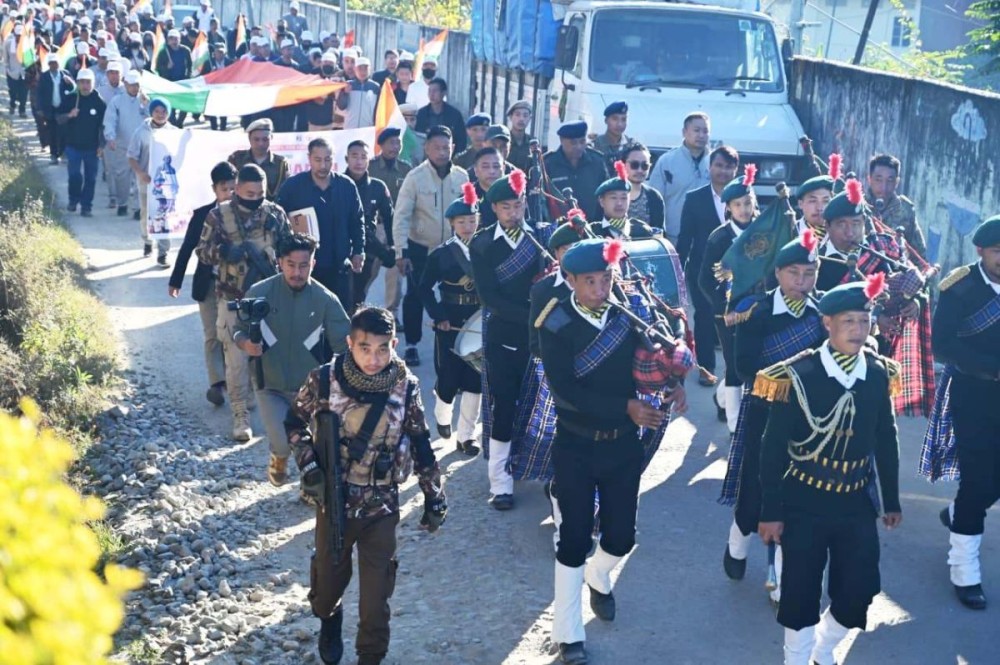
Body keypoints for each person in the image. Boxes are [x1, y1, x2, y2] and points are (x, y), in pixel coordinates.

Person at [538, 238, 687, 665]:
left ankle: (599, 575)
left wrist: (673, 383)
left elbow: (654, 354)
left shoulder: (628, 313)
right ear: (569, 279)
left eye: (607, 279)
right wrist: (626, 406)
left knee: (622, 538)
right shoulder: (556, 324)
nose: (601, 289)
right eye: (591, 281)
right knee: (572, 539)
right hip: (576, 444)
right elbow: (564, 391)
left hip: (623, 444)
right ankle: (568, 635)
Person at [284, 306, 447, 665]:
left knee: (376, 598)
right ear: (349, 344)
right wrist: (310, 467)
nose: (374, 358)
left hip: (382, 505)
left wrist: (434, 498)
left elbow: (420, 443)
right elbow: (293, 422)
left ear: (394, 343)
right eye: (364, 348)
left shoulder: (406, 386)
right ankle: (329, 618)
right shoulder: (324, 380)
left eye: (383, 348)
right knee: (327, 588)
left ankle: (369, 657)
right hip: (335, 502)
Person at [756, 278, 902, 665]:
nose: (858, 330)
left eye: (864, 321)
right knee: (800, 592)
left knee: (861, 587)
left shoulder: (877, 373)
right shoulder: (798, 376)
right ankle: (796, 659)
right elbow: (771, 449)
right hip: (803, 499)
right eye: (848, 322)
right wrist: (770, 510)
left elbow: (886, 439)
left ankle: (822, 649)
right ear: (827, 324)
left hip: (855, 499)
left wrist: (892, 499)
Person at [719, 232, 826, 604]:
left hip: (811, 421)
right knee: (755, 492)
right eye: (793, 273)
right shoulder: (756, 312)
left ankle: (782, 576)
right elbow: (745, 366)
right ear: (777, 273)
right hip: (765, 412)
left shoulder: (825, 314)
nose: (801, 281)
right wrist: (788, 381)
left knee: (796, 498)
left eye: (809, 273)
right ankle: (737, 542)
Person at [921, 216, 1000, 611]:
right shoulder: (961, 287)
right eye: (998, 251)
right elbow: (942, 345)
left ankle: (957, 514)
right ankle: (964, 568)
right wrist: (991, 366)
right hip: (973, 392)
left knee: (993, 482)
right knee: (977, 477)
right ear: (981, 251)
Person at [235, 233, 350, 485]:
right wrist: (246, 344)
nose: (297, 272)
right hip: (270, 385)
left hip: (311, 391)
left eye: (304, 266)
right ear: (280, 263)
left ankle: (311, 489)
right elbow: (237, 329)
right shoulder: (260, 292)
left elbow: (345, 345)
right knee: (283, 441)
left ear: (313, 265)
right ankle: (278, 456)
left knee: (316, 447)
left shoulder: (326, 300)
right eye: (291, 265)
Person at [195, 163, 293, 442]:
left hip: (268, 297)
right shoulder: (218, 215)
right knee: (236, 357)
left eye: (260, 192)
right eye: (249, 192)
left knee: (270, 357)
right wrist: (225, 251)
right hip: (232, 297)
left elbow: (288, 246)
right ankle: (240, 414)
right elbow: (202, 252)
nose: (255, 197)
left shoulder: (274, 213)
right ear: (237, 189)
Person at [470, 171, 541, 511]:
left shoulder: (541, 237)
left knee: (544, 408)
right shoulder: (482, 244)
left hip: (543, 339)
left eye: (518, 205)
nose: (513, 212)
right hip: (505, 337)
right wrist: (533, 316)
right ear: (494, 208)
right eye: (506, 207)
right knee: (504, 408)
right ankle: (500, 482)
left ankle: (541, 469)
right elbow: (490, 298)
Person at [391, 126, 469, 367]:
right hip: (421, 248)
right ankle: (412, 344)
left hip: (453, 248)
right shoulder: (415, 178)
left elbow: (470, 212)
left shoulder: (462, 177)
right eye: (436, 147)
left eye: (446, 147)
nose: (442, 152)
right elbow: (401, 216)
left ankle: (456, 343)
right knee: (415, 295)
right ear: (426, 149)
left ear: (453, 148)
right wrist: (401, 251)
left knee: (456, 294)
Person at [418, 183, 483, 455]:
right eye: (461, 221)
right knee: (448, 379)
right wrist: (438, 316)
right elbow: (423, 288)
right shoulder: (441, 254)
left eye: (472, 220)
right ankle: (443, 417)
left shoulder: (485, 250)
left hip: (478, 322)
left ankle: (466, 436)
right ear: (452, 223)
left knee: (475, 381)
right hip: (450, 322)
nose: (467, 225)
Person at [168, 161, 237, 409]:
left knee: (231, 334)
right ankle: (217, 384)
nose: (228, 193)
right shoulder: (202, 215)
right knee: (211, 334)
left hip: (235, 287)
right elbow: (188, 248)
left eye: (232, 188)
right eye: (223, 189)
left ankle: (236, 383)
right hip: (207, 283)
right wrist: (175, 280)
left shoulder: (247, 216)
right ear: (214, 189)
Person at [698, 167, 759, 434]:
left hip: (758, 308)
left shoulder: (762, 232)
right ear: (729, 208)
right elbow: (704, 280)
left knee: (753, 358)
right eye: (738, 205)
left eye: (748, 203)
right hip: (728, 312)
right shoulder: (719, 238)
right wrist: (725, 309)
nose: (744, 209)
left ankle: (722, 397)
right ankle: (735, 425)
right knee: (734, 364)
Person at [276, 137, 366, 308]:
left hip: (339, 265)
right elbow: (278, 222)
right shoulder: (293, 187)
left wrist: (359, 250)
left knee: (340, 318)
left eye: (328, 159)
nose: (323, 165)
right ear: (309, 158)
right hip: (304, 268)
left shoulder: (346, 186)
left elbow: (357, 221)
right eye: (318, 160)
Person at [677, 144, 739, 386]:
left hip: (735, 272)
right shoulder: (694, 199)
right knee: (703, 317)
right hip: (701, 271)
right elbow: (685, 238)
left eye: (729, 167)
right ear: (710, 167)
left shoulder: (743, 198)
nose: (723, 171)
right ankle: (706, 368)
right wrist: (678, 270)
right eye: (719, 166)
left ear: (736, 169)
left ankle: (734, 370)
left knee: (730, 319)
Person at [343, 140, 396, 311]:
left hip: (369, 250)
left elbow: (389, 218)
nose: (358, 161)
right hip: (341, 249)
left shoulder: (377, 187)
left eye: (363, 157)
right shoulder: (337, 183)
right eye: (354, 156)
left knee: (359, 295)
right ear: (346, 159)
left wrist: (393, 247)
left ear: (369, 159)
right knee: (340, 295)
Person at [369, 127, 413, 328]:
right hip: (375, 226)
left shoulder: (406, 169)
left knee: (396, 271)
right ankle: (354, 307)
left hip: (398, 227)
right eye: (391, 143)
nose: (395, 147)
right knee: (370, 269)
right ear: (381, 145)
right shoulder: (369, 168)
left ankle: (391, 314)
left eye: (398, 142)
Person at [648, 112, 711, 244]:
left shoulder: (715, 162)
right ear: (684, 132)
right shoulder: (667, 161)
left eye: (705, 131)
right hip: (673, 236)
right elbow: (653, 199)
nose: (701, 135)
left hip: (706, 236)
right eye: (696, 130)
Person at [128, 98, 175, 265]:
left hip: (165, 184)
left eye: (164, 112)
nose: (161, 115)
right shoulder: (141, 132)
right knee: (146, 214)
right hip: (146, 182)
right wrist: (140, 173)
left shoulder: (174, 132)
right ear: (151, 112)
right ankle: (147, 240)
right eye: (157, 111)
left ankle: (163, 253)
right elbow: (131, 156)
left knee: (164, 216)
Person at [60, 68, 106, 218]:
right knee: (74, 176)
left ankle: (86, 206)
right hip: (73, 146)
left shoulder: (99, 102)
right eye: (82, 82)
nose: (85, 85)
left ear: (93, 83)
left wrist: (101, 145)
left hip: (92, 148)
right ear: (78, 83)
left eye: (88, 82)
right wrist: (69, 115)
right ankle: (73, 200)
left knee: (91, 178)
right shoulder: (71, 98)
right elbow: (58, 119)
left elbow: (104, 126)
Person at [543, 121, 609, 222]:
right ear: (561, 140)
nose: (578, 147)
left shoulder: (597, 162)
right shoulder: (548, 164)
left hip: (593, 228)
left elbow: (606, 194)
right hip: (558, 229)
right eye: (573, 143)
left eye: (582, 142)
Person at [103, 69, 147, 218]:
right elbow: (110, 120)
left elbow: (155, 118)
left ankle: (137, 208)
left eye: (137, 85)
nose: (134, 88)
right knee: (122, 176)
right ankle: (122, 203)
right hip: (122, 144)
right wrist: (111, 137)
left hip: (142, 147)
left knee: (139, 177)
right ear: (125, 84)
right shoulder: (117, 101)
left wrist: (146, 105)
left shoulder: (146, 100)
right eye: (131, 85)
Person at [866, 153, 927, 257]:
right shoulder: (857, 205)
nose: (883, 187)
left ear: (897, 182)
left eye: (890, 180)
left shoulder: (905, 209)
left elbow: (918, 254)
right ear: (869, 179)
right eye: (878, 179)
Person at [589, 161, 656, 240]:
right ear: (602, 201)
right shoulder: (592, 232)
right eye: (613, 198)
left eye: (624, 198)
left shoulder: (642, 230)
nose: (619, 203)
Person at [228, 118, 289, 201]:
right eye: (256, 139)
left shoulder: (281, 163)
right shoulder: (236, 159)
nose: (261, 144)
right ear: (249, 138)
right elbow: (229, 188)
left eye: (265, 139)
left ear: (271, 138)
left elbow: (285, 192)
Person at [37, 52, 75, 165]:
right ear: (49, 64)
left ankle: (62, 152)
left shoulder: (66, 74)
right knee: (52, 132)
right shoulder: (44, 77)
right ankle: (53, 154)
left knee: (63, 132)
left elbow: (74, 89)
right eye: (52, 63)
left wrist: (71, 82)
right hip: (50, 109)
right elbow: (40, 93)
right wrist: (40, 108)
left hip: (63, 109)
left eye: (56, 63)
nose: (54, 65)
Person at [414, 78, 467, 153]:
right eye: (430, 91)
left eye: (435, 91)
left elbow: (461, 140)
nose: (431, 94)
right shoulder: (421, 114)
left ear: (443, 93)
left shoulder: (454, 115)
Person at [622, 142, 665, 231]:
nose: (640, 170)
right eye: (634, 165)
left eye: (645, 166)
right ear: (623, 165)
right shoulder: (609, 194)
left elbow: (659, 232)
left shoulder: (654, 197)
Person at [155, 29, 192, 127]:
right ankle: (173, 123)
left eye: (176, 39)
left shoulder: (185, 51)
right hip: (169, 83)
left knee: (184, 105)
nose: (174, 41)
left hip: (183, 82)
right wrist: (166, 68)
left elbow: (190, 66)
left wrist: (188, 78)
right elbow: (158, 68)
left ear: (179, 39)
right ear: (168, 40)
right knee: (171, 105)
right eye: (171, 39)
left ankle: (180, 122)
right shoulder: (163, 52)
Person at [337, 56, 379, 129]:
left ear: (370, 70)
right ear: (355, 69)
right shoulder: (347, 84)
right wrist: (345, 93)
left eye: (365, 69)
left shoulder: (375, 87)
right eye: (360, 68)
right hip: (349, 127)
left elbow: (378, 109)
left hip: (367, 128)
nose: (363, 72)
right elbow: (341, 106)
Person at [589, 101, 630, 173]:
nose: (619, 124)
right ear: (606, 120)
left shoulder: (631, 146)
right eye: (615, 119)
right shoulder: (594, 146)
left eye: (624, 119)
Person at [470, 146, 505, 229]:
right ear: (476, 170)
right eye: (485, 167)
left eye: (496, 166)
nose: (491, 171)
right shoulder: (467, 198)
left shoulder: (513, 195)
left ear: (503, 168)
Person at [201, 43, 231, 130]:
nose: (220, 53)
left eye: (222, 51)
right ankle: (213, 128)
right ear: (214, 52)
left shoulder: (229, 62)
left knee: (223, 110)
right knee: (213, 110)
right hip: (212, 90)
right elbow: (202, 76)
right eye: (218, 51)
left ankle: (223, 128)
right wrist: (210, 73)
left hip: (224, 89)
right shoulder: (208, 63)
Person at [3, 24, 27, 117]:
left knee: (23, 93)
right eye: (18, 35)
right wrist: (8, 69)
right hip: (12, 72)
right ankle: (12, 105)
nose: (19, 37)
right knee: (13, 91)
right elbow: (6, 58)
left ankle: (22, 110)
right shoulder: (8, 43)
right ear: (15, 34)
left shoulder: (26, 44)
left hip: (24, 73)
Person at [505, 99, 534, 174]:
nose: (521, 119)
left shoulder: (533, 143)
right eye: (517, 115)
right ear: (511, 117)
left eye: (525, 115)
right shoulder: (504, 141)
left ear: (529, 119)